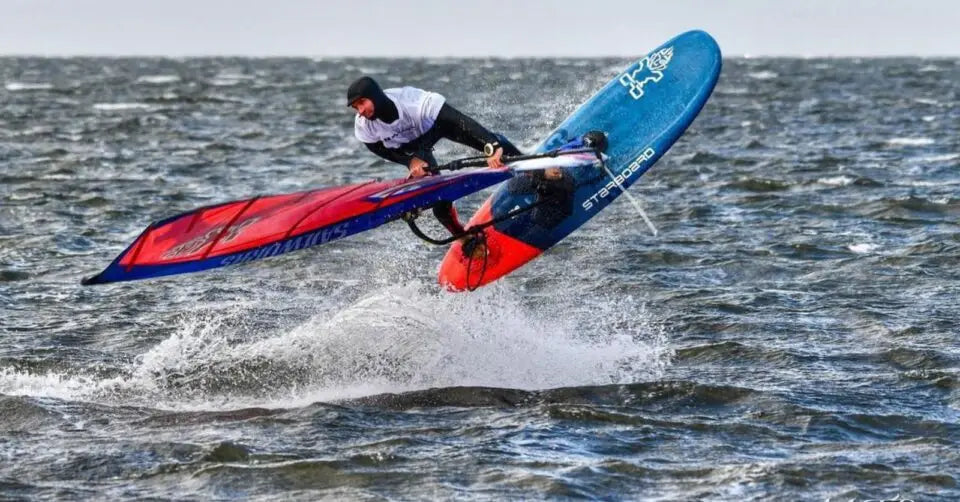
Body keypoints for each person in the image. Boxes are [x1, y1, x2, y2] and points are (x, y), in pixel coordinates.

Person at [346, 76, 522, 239]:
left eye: (362, 103)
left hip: (437, 126)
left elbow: (459, 121)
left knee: (489, 143)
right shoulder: (364, 126)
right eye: (356, 107)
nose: (360, 111)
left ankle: (533, 166)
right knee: (439, 201)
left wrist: (492, 145)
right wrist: (409, 161)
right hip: (413, 148)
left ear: (375, 96)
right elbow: (381, 150)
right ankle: (465, 239)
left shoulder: (412, 103)